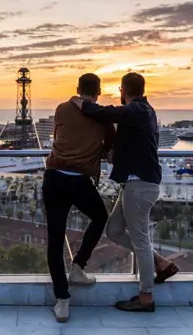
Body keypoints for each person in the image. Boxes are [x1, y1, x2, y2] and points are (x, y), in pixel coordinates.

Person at [72, 72, 179, 313]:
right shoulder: (141, 113)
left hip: (140, 186)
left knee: (141, 240)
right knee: (114, 231)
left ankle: (146, 298)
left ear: (123, 90)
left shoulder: (139, 110)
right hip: (133, 184)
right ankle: (161, 263)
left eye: (120, 91)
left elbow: (103, 113)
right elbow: (130, 143)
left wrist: (81, 103)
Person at [43, 73, 115, 323]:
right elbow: (111, 143)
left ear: (77, 88)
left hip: (54, 177)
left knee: (55, 238)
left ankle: (62, 300)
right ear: (98, 92)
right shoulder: (103, 117)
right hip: (79, 180)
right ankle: (78, 266)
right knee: (99, 217)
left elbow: (59, 135)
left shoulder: (62, 108)